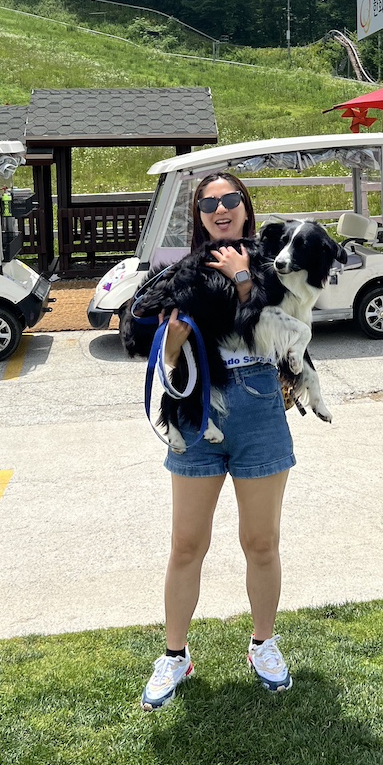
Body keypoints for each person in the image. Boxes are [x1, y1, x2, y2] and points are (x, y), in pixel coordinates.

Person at [140, 171, 296, 711]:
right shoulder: (182, 275)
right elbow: (162, 359)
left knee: (261, 542)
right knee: (186, 544)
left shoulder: (276, 265)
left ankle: (263, 644)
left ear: (246, 207)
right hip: (196, 416)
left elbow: (277, 334)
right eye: (209, 204)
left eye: (230, 199)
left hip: (258, 412)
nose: (221, 209)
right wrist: (175, 342)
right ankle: (175, 654)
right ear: (199, 216)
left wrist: (245, 278)